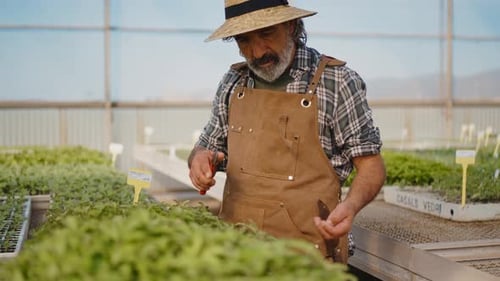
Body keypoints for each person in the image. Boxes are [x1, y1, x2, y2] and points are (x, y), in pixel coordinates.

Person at [188, 0, 386, 264]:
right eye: (243, 40)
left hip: (308, 259)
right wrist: (200, 160)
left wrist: (349, 206)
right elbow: (204, 148)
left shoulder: (336, 82)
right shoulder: (233, 83)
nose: (257, 52)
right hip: (237, 255)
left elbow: (371, 166)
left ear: (291, 25)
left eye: (266, 33)